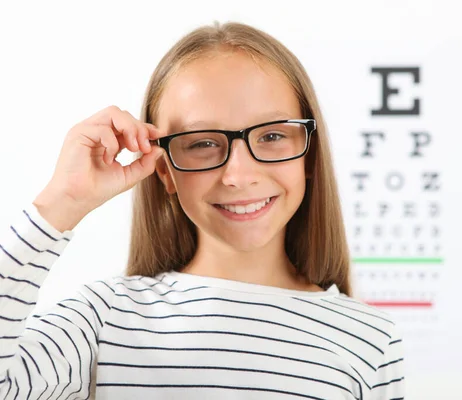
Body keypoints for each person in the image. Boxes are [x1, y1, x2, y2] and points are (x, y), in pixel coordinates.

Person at [0, 22, 404, 399]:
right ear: (165, 171)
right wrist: (61, 202)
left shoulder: (370, 338)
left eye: (273, 135)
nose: (238, 175)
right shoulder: (104, 317)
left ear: (309, 157)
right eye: (202, 143)